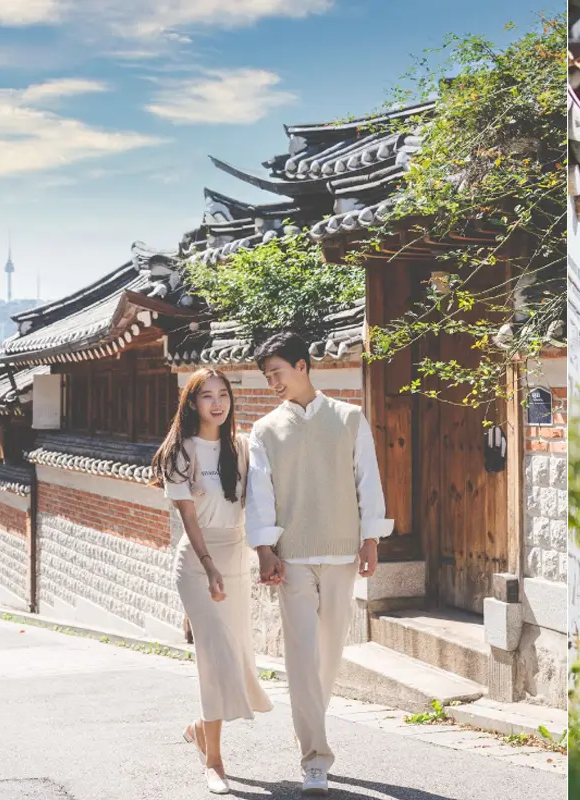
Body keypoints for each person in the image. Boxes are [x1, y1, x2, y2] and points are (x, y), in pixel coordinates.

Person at [246, 331, 392, 797]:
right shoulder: (265, 429)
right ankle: (314, 757)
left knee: (329, 653)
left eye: (277, 373)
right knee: (301, 655)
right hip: (292, 557)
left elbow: (368, 479)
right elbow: (259, 493)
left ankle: (308, 721)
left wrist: (371, 539)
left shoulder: (349, 418)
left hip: (343, 551)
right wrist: (264, 549)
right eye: (267, 377)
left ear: (302, 366)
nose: (273, 383)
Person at [152, 368, 273, 795]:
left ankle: (200, 729)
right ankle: (215, 761)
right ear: (192, 402)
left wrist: (266, 551)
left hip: (236, 557)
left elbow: (259, 502)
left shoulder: (241, 448)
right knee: (215, 655)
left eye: (223, 394)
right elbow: (188, 519)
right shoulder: (180, 452)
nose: (217, 403)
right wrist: (209, 567)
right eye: (207, 396)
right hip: (197, 563)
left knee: (236, 655)